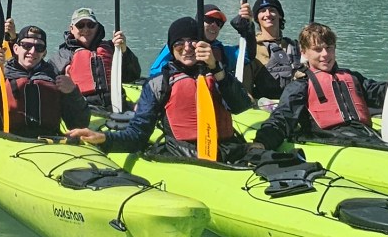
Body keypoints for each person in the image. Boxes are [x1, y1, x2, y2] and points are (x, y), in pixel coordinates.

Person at [69, 16, 252, 159]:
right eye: (179, 43)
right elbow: (138, 134)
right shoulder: (159, 84)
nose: (187, 48)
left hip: (231, 151)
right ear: (171, 48)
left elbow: (241, 105)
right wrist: (104, 138)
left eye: (192, 41)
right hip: (185, 156)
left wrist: (217, 68)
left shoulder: (218, 74)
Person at [252, 23, 388, 150]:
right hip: (331, 141)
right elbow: (282, 118)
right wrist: (262, 143)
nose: (325, 55)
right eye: (317, 49)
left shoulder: (353, 78)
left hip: (367, 138)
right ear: (304, 52)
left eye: (329, 48)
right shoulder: (300, 86)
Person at [0, 24, 90, 136]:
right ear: (15, 48)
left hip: (49, 141)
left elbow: (80, 124)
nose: (32, 51)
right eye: (26, 45)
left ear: (45, 53)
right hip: (9, 140)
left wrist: (73, 92)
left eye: (39, 47)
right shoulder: (0, 75)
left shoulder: (55, 78)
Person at [53, 7, 140, 109]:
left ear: (97, 27)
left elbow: (133, 75)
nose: (86, 29)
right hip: (83, 108)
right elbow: (49, 83)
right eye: (80, 25)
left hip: (117, 104)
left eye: (90, 25)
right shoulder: (62, 55)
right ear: (71, 29)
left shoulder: (113, 47)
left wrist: (124, 51)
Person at [146, 4, 247, 84]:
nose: (214, 25)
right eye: (209, 20)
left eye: (219, 23)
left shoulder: (220, 49)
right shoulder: (177, 46)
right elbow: (155, 72)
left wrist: (248, 30)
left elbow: (246, 56)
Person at [230, 0, 300, 100]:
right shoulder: (251, 48)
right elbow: (245, 87)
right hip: (264, 109)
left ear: (280, 15)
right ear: (257, 18)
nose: (267, 14)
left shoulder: (293, 46)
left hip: (292, 105)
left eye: (272, 10)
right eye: (262, 11)